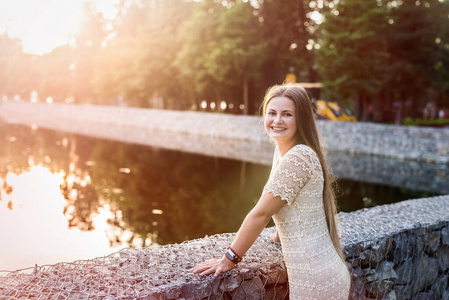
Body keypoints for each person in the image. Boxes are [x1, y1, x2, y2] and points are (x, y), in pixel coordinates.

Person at [192, 83, 351, 299]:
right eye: (272, 113)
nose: (277, 120)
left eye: (287, 114)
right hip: (321, 273)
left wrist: (229, 259)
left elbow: (261, 214)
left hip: (316, 280)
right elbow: (288, 204)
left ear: (301, 119)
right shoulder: (284, 151)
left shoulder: (299, 157)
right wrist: (278, 235)